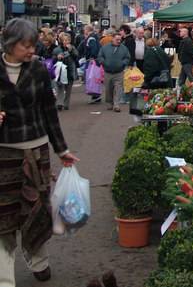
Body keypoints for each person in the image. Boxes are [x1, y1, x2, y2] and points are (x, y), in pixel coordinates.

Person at [0, 18, 79, 287]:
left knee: (37, 211)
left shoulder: (37, 69)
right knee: (5, 217)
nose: (32, 50)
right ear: (10, 45)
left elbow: (49, 112)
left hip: (36, 150)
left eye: (33, 45)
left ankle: (38, 259)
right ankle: (5, 277)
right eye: (26, 45)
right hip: (4, 154)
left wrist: (62, 149)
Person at [97, 32, 130, 112]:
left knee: (118, 88)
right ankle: (110, 103)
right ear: (113, 39)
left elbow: (127, 57)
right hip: (108, 72)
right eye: (117, 39)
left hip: (119, 72)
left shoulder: (124, 48)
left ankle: (116, 105)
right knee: (108, 89)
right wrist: (103, 62)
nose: (119, 41)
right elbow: (100, 56)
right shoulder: (105, 48)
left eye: (120, 40)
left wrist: (123, 63)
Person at [51, 33, 78, 111]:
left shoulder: (73, 48)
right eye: (64, 40)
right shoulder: (57, 49)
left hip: (70, 70)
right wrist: (57, 57)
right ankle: (60, 103)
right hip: (60, 70)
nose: (66, 42)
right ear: (62, 41)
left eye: (68, 40)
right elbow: (53, 60)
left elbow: (76, 56)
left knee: (68, 88)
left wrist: (71, 51)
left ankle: (66, 104)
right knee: (60, 87)